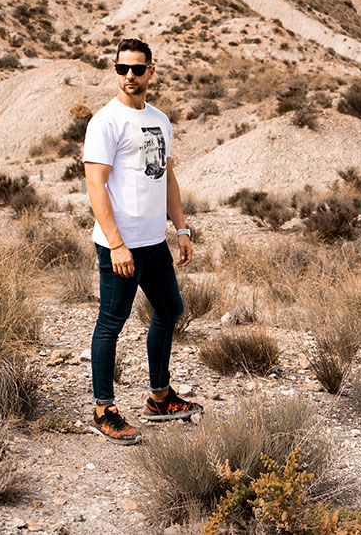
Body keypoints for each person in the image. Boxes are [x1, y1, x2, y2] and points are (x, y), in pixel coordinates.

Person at [83, 37, 202, 444]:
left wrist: (181, 229)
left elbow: (166, 176)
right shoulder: (105, 121)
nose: (129, 76)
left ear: (151, 70)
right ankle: (103, 410)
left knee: (170, 309)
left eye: (137, 68)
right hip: (121, 245)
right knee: (111, 324)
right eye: (122, 69)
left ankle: (159, 397)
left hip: (154, 242)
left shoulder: (160, 119)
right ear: (115, 71)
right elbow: (95, 185)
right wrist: (116, 244)